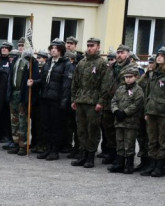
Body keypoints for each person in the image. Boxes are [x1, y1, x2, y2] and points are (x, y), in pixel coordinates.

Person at [71, 37, 109, 168]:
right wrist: (74, 99)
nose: (89, 48)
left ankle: (90, 157)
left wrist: (101, 101)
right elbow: (75, 82)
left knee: (92, 129)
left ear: (98, 47)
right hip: (81, 100)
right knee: (81, 129)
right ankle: (82, 154)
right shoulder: (81, 63)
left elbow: (105, 85)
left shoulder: (101, 63)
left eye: (92, 45)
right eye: (88, 45)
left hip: (94, 101)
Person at [141, 47, 165, 178]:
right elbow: (148, 93)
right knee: (152, 140)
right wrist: (146, 110)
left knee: (163, 141)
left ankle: (159, 166)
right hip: (152, 111)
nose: (158, 57)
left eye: (162, 55)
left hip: (164, 113)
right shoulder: (154, 73)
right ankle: (152, 164)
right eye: (158, 55)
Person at [34, 39, 72, 161]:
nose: (53, 50)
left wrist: (64, 101)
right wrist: (34, 82)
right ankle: (47, 148)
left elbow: (67, 85)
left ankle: (54, 150)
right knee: (45, 125)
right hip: (45, 98)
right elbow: (43, 79)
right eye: (52, 48)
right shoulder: (48, 62)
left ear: (61, 50)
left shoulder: (66, 64)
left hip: (56, 99)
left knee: (55, 126)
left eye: (56, 48)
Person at [108, 65, 144, 174]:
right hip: (119, 120)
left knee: (129, 143)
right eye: (126, 77)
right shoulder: (121, 88)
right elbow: (114, 100)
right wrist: (116, 110)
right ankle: (119, 163)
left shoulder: (138, 90)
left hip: (131, 122)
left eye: (130, 77)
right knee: (120, 142)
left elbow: (136, 104)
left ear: (136, 77)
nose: (128, 79)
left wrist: (125, 112)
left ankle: (129, 164)